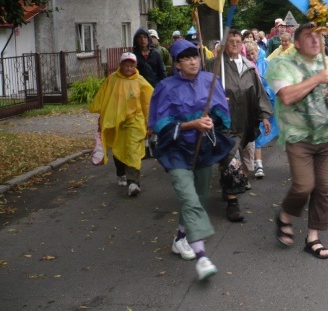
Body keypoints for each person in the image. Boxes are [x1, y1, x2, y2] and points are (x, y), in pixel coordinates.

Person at [149, 39, 235, 280]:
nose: (193, 61)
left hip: (203, 146)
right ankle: (202, 256)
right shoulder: (165, 87)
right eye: (186, 58)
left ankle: (180, 237)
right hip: (176, 150)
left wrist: (210, 120)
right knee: (189, 197)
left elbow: (221, 117)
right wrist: (190, 124)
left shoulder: (210, 81)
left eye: (195, 56)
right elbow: (162, 125)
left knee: (200, 196)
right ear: (176, 63)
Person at [266, 22, 328, 259]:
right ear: (296, 42)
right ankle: (285, 216)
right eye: (309, 36)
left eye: (319, 36)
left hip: (327, 136)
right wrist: (317, 79)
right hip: (299, 137)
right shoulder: (283, 65)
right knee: (304, 186)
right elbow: (286, 96)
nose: (316, 40)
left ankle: (313, 237)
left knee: (323, 188)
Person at [207, 30, 273, 222]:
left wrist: (265, 116)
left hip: (244, 120)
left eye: (238, 41)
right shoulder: (215, 64)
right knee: (231, 160)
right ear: (224, 44)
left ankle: (228, 186)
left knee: (232, 159)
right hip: (224, 122)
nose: (235, 44)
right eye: (231, 41)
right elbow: (204, 86)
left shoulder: (248, 67)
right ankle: (233, 204)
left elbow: (258, 92)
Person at [90, 52, 153, 196]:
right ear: (120, 65)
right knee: (118, 147)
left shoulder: (141, 81)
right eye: (126, 64)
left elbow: (148, 103)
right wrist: (102, 120)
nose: (129, 67)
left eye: (131, 64)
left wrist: (150, 122)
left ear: (136, 65)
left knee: (132, 150)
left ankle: (133, 183)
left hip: (134, 122)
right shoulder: (111, 80)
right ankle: (120, 172)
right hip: (115, 121)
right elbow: (103, 100)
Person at [244, 40, 279, 178]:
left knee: (263, 131)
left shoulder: (266, 64)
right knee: (256, 134)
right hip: (253, 104)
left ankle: (256, 164)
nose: (251, 56)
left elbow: (273, 82)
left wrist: (266, 93)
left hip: (266, 102)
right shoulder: (245, 66)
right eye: (248, 54)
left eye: (253, 53)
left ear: (257, 52)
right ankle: (258, 164)